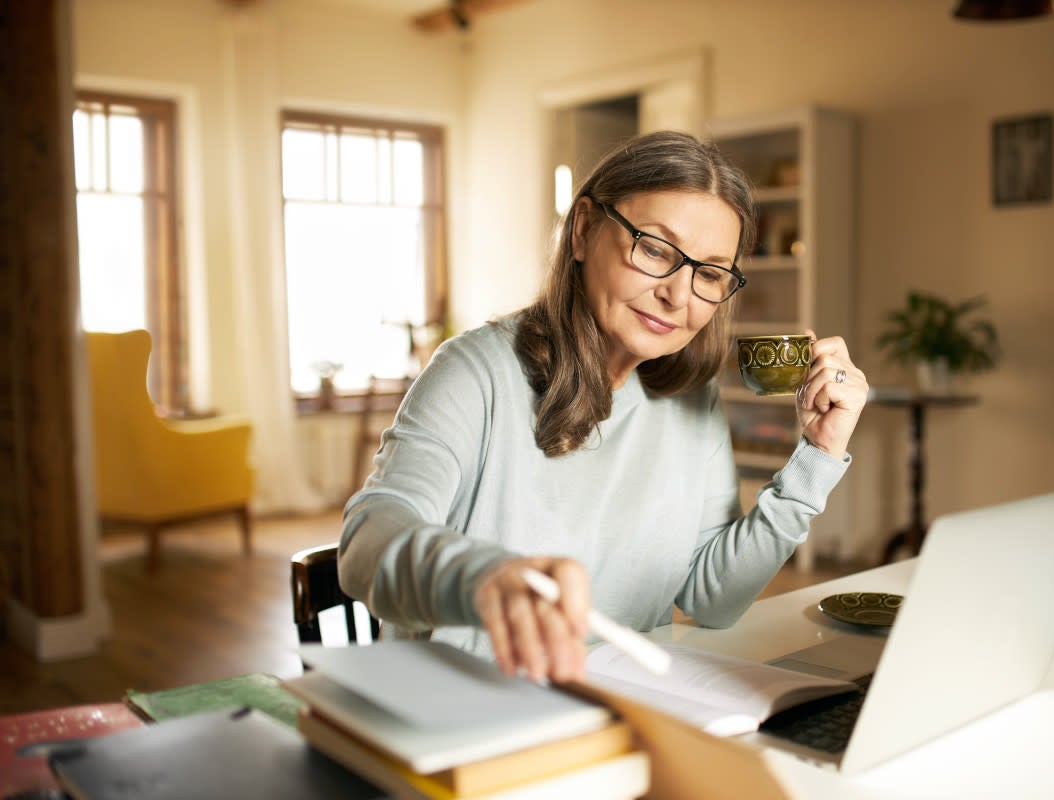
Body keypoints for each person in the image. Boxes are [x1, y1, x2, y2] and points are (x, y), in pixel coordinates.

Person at [338, 130, 868, 685]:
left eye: (709, 274)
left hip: (619, 704)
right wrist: (482, 577)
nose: (679, 295)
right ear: (585, 230)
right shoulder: (475, 372)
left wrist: (818, 455)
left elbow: (714, 598)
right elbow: (366, 542)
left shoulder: (691, 398)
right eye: (657, 249)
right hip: (469, 710)